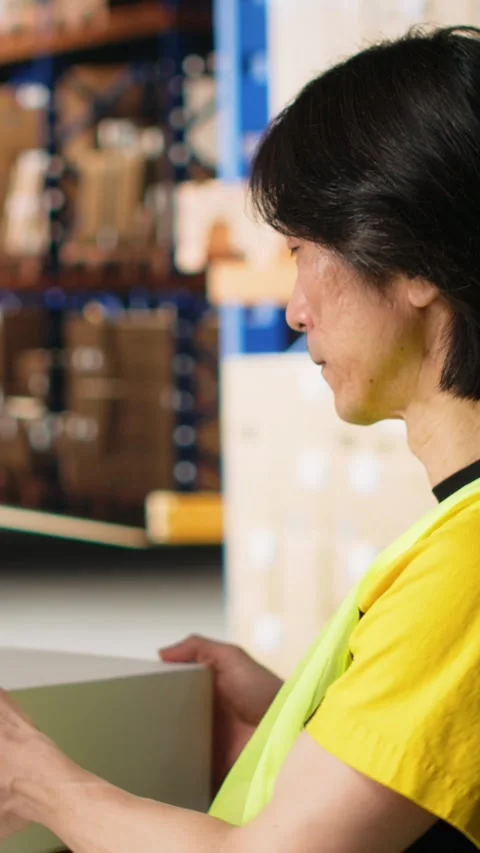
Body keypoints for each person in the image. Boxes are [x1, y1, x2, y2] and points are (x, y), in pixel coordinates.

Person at [0, 22, 480, 852]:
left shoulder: (465, 567)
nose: (294, 310)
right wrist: (298, 709)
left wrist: (44, 784)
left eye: (303, 252)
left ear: (414, 263)